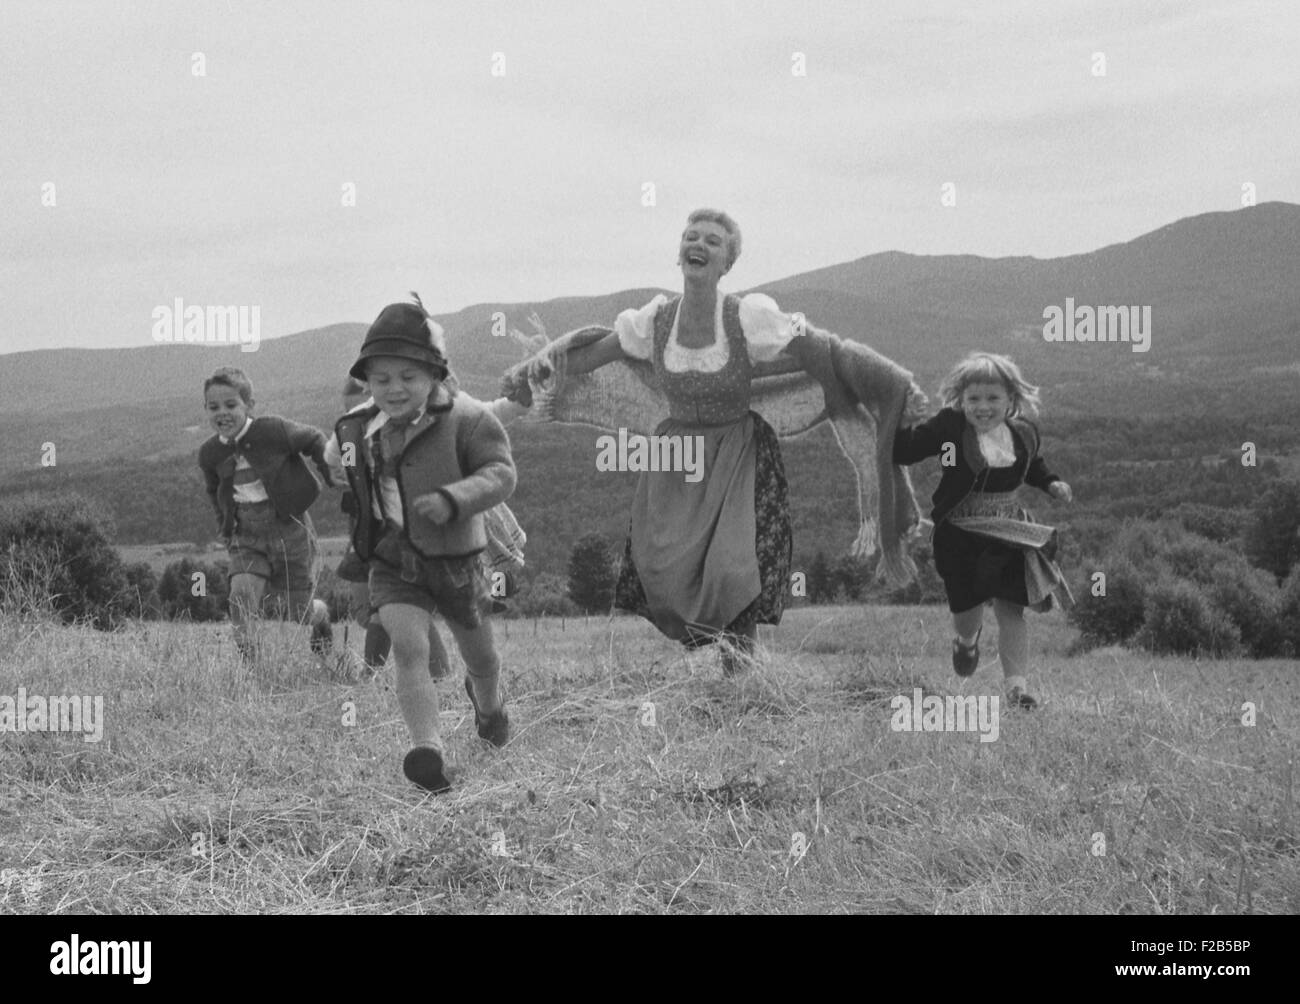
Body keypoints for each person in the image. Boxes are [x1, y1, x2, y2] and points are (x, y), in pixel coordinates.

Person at [501, 209, 925, 674]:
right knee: (661, 570)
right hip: (676, 458)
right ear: (679, 252)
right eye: (690, 236)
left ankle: (743, 673)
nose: (698, 244)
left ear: (728, 263)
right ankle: (730, 660)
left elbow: (822, 348)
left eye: (713, 241)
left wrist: (878, 381)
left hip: (739, 453)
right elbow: (594, 356)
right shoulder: (654, 320)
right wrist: (538, 368)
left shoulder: (748, 315)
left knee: (731, 567)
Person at [325, 298, 516, 793]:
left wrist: (456, 498)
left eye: (407, 376)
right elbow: (335, 464)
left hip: (458, 560)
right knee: (409, 651)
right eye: (381, 377)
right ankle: (427, 750)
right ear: (366, 380)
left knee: (482, 659)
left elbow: (501, 473)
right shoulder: (356, 427)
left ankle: (489, 705)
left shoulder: (468, 418)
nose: (393, 388)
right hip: (393, 559)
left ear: (434, 373)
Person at [892, 351, 1074, 709]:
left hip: (1010, 529)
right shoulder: (948, 427)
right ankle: (967, 640)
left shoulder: (1023, 432)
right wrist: (901, 420)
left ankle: (1017, 691)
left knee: (1012, 608)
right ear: (961, 399)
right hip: (960, 532)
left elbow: (1034, 465)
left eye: (993, 398)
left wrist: (1052, 484)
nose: (983, 407)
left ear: (1011, 399)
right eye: (974, 398)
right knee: (968, 610)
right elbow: (905, 452)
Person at [198, 367, 334, 665]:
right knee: (241, 596)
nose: (222, 413)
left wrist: (331, 470)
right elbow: (214, 491)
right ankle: (252, 669)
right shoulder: (209, 453)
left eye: (231, 405)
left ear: (249, 405)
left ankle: (321, 617)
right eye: (213, 407)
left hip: (290, 530)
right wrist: (225, 526)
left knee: (299, 612)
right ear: (206, 409)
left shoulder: (273, 430)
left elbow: (314, 439)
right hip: (246, 534)